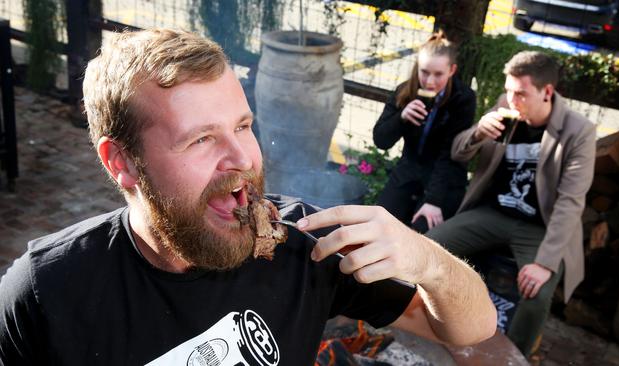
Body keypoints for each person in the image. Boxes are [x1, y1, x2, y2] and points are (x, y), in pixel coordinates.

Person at [0, 28, 496, 365]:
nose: (242, 158)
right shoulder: (46, 291)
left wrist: (426, 260)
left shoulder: (306, 242)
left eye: (243, 126)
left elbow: (471, 328)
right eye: (200, 139)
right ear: (121, 162)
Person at [425, 51, 596, 357]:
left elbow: (571, 202)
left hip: (538, 225)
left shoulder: (577, 131)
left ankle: (513, 357)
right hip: (492, 212)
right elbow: (457, 153)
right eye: (508, 90)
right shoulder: (505, 109)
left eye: (520, 93)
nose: (511, 99)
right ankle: (434, 324)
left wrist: (544, 264)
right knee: (429, 247)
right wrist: (478, 133)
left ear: (547, 92)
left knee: (537, 294)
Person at [373, 31, 476, 233]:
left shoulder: (463, 98)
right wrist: (401, 118)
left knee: (421, 233)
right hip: (409, 172)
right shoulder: (405, 91)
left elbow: (450, 156)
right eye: (424, 72)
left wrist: (434, 200)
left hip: (444, 180)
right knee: (378, 227)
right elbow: (381, 140)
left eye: (438, 74)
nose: (429, 82)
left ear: (452, 70)